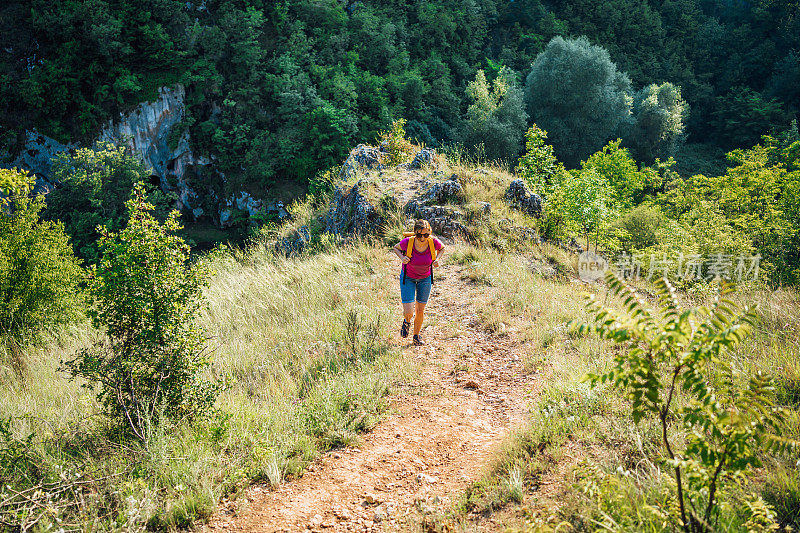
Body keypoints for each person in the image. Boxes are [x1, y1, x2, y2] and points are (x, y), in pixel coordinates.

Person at [392, 220, 445, 345]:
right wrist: (402, 257)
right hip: (408, 277)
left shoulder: (433, 242)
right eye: (419, 235)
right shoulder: (408, 242)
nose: (422, 238)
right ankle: (407, 321)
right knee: (409, 311)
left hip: (425, 279)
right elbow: (396, 247)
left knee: (420, 310)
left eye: (426, 235)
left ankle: (416, 336)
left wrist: (437, 259)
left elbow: (442, 248)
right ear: (415, 233)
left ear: (429, 233)